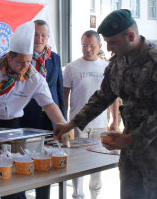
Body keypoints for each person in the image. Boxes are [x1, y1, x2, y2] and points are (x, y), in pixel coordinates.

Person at [54, 9, 157, 199]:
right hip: (131, 152)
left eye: (112, 42)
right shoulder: (118, 62)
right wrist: (72, 123)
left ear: (131, 36)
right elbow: (103, 97)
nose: (107, 49)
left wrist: (130, 139)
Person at [0, 21, 66, 199]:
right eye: (20, 62)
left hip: (12, 127)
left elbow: (49, 105)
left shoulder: (34, 78)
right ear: (9, 57)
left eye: (28, 61)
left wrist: (63, 124)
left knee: (11, 178)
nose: (24, 67)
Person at [64, 30, 119, 199]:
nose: (88, 49)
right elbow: (64, 98)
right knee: (77, 162)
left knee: (97, 162)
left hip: (100, 124)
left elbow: (113, 96)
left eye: (92, 46)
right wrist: (66, 123)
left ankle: (95, 195)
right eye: (84, 45)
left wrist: (115, 120)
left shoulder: (106, 67)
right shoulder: (72, 67)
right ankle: (77, 195)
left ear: (100, 47)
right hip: (77, 124)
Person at [20, 19, 66, 199]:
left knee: (45, 164)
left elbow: (59, 92)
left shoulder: (54, 58)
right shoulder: (21, 58)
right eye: (35, 34)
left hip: (49, 120)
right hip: (26, 118)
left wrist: (62, 120)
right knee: (23, 163)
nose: (39, 38)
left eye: (43, 35)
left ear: (48, 37)